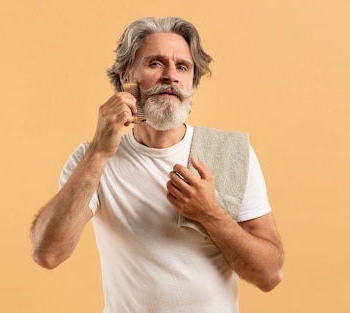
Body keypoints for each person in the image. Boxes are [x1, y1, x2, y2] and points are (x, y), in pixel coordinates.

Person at [30, 16, 284, 312]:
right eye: (155, 64)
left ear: (191, 82)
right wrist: (99, 152)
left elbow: (269, 275)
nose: (170, 76)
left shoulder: (230, 153)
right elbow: (47, 253)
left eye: (182, 67)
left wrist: (211, 215)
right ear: (127, 76)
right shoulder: (93, 160)